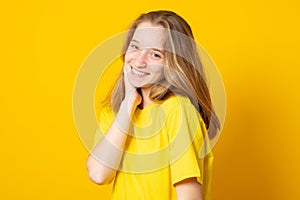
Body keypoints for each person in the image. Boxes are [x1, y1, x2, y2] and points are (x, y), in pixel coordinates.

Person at [86, 10, 220, 200]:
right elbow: (98, 174)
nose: (139, 61)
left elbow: (189, 195)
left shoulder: (177, 110)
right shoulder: (116, 114)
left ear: (174, 63)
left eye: (155, 54)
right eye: (135, 47)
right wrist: (128, 105)